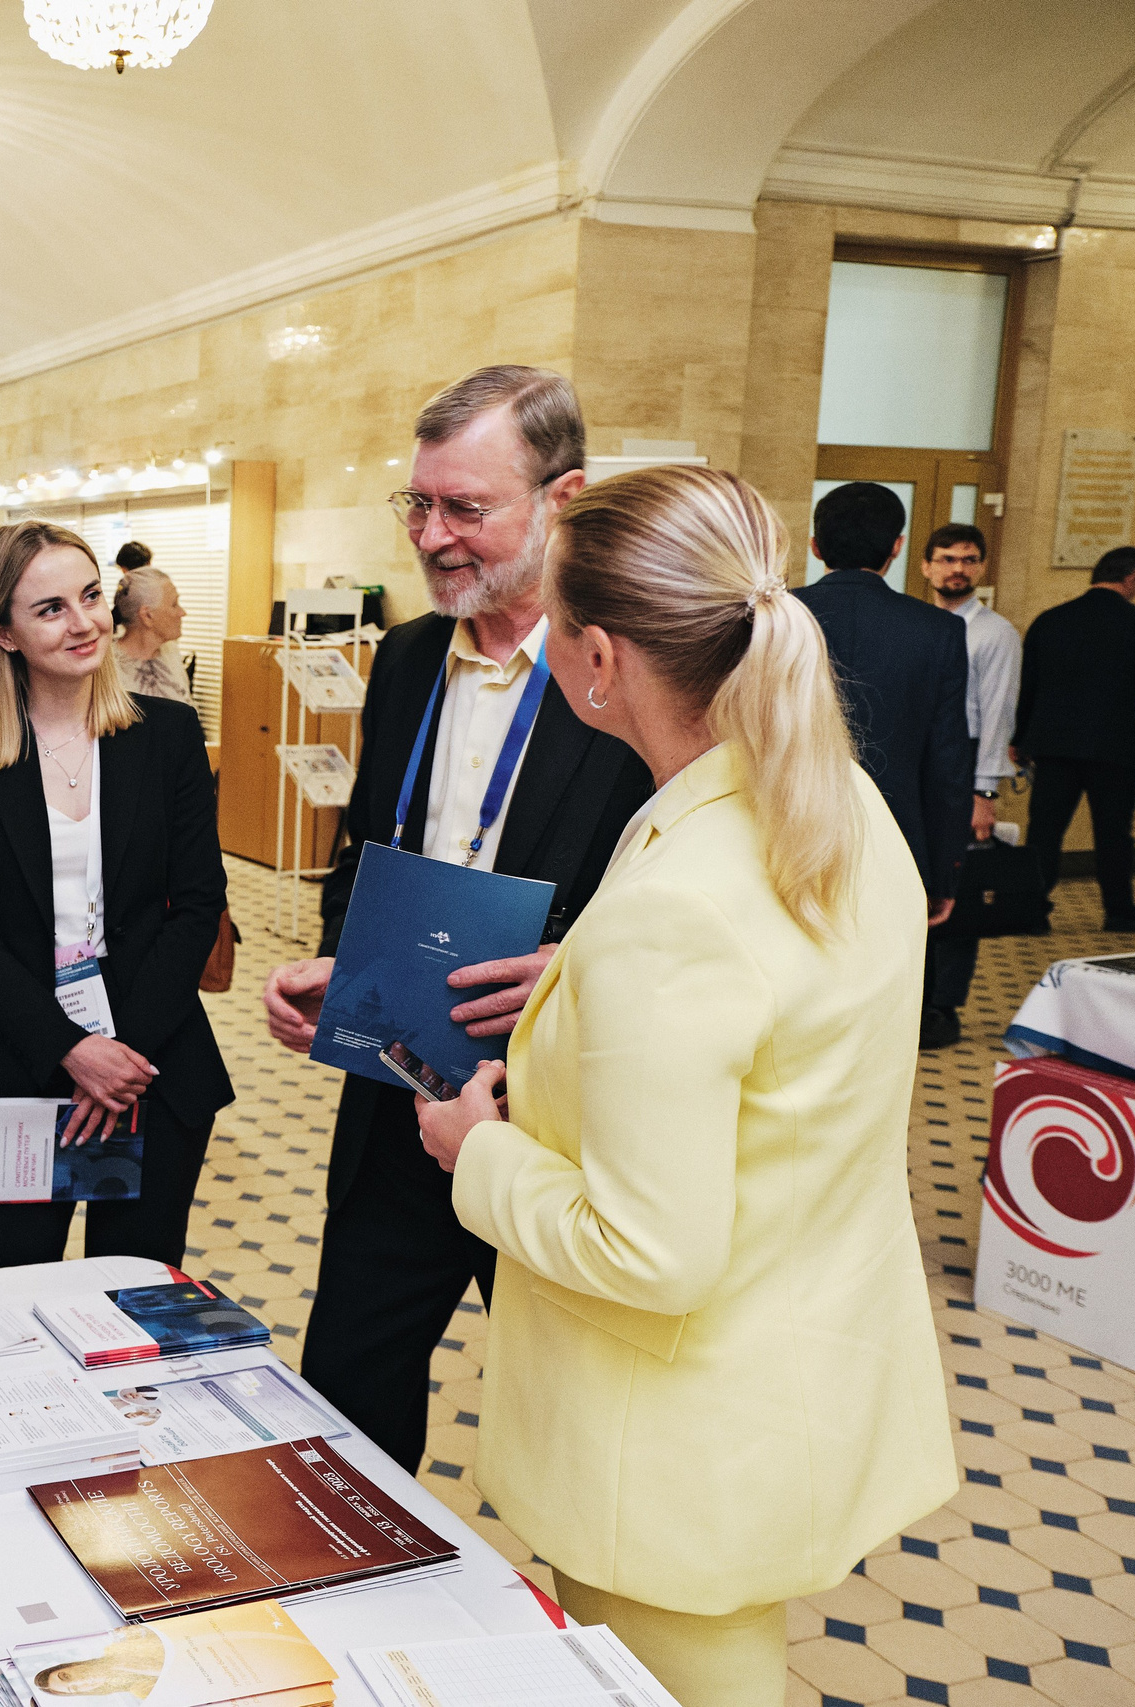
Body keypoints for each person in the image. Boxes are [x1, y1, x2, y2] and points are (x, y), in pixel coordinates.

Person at [414, 464, 956, 1704]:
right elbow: (776, 1019)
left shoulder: (682, 902)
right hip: (790, 1382)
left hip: (665, 1448)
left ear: (601, 660)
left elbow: (647, 1251)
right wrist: (586, 974)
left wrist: (473, 1148)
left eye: (551, 624)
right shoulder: (836, 806)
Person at [260, 367, 653, 1474]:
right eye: (417, 505)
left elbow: (694, 897)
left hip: (557, 1117)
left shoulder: (628, 669)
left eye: (466, 508)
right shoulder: (405, 663)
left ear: (562, 498)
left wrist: (576, 974)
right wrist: (337, 971)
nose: (432, 538)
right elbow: (366, 859)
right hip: (403, 1083)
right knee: (349, 1377)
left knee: (575, 1401)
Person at [0, 521, 231, 1271]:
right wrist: (72, 1050)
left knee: (130, 1306)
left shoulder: (167, 735)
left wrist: (117, 1055)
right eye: (51, 608)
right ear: (3, 632)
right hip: (21, 1067)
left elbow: (198, 904)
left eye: (91, 596)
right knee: (4, 1305)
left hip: (152, 1065)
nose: (86, 620)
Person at [789, 482, 973, 1043]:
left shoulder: (775, 615)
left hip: (781, 823)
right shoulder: (938, 630)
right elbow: (947, 762)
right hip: (893, 838)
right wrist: (942, 872)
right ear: (897, 547)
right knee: (872, 995)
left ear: (817, 546)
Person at [1013, 545, 1135, 933]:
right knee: (1114, 832)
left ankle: (1031, 911)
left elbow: (1029, 688)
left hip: (1053, 745)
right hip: (1114, 747)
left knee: (1045, 831)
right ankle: (1119, 911)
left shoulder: (1050, 621)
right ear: (1132, 578)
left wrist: (1019, 739)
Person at [920, 523, 1019, 1046]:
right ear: (926, 566)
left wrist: (984, 793)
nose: (958, 568)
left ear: (980, 567)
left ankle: (945, 1004)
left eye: (969, 559)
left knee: (957, 888)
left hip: (966, 770)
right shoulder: (912, 623)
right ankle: (912, 998)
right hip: (918, 767)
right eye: (947, 558)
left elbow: (999, 715)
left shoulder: (995, 633)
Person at [111, 560, 192, 705]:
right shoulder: (108, 667)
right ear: (147, 616)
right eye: (174, 604)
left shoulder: (170, 651)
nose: (182, 613)